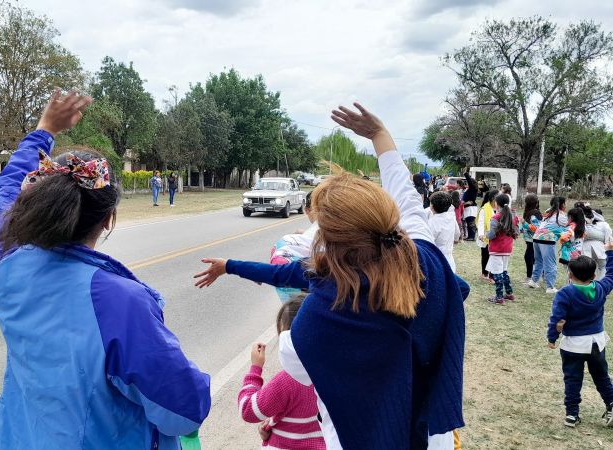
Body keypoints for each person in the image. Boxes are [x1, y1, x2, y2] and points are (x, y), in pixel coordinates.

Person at [194, 103, 468, 450]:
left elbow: (283, 279)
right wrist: (379, 135)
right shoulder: (426, 260)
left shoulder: (314, 324)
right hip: (435, 437)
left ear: (327, 241)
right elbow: (408, 199)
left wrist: (228, 266)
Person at [0, 91, 210, 449]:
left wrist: (44, 130)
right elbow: (183, 411)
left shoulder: (9, 266)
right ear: (108, 219)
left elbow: (0, 199)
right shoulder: (120, 303)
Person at [238, 296, 326, 450]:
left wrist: (255, 369)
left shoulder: (286, 381)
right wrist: (271, 423)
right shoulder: (333, 371)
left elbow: (248, 411)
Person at [547, 249, 613, 428]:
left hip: (573, 345)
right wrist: (611, 253)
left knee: (572, 379)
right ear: (593, 274)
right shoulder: (600, 288)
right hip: (596, 342)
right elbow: (611, 275)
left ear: (569, 273)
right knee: (601, 376)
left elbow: (557, 319)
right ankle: (612, 404)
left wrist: (552, 337)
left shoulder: (565, 293)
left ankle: (571, 414)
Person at [484, 194, 519, 304]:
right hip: (507, 249)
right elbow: (517, 232)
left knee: (497, 273)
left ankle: (499, 297)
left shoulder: (496, 218)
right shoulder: (512, 216)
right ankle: (509, 293)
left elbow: (491, 235)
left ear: (496, 204)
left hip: (497, 249)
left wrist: (486, 234)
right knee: (504, 271)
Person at [532, 196, 569, 294]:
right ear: (562, 205)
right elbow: (569, 225)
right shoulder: (561, 216)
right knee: (550, 263)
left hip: (536, 237)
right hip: (547, 240)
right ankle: (550, 287)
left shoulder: (548, 213)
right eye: (565, 203)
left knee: (538, 261)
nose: (566, 205)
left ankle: (533, 281)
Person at [428, 191, 461, 271]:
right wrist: (455, 240)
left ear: (432, 206)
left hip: (435, 259)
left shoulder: (432, 222)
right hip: (449, 259)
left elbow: (428, 242)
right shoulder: (451, 217)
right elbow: (457, 233)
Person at [578, 204, 612, 280]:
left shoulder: (585, 225)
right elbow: (609, 237)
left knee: (591, 269)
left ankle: (592, 285)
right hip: (600, 247)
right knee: (603, 267)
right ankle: (601, 285)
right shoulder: (604, 224)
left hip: (586, 247)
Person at [476, 189, 499, 283]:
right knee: (485, 255)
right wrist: (481, 234)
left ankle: (492, 274)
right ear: (493, 199)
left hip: (496, 237)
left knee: (493, 256)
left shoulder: (499, 209)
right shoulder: (484, 209)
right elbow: (481, 223)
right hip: (485, 237)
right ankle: (484, 273)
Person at [520, 194, 542, 285]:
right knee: (530, 257)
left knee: (529, 257)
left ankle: (532, 277)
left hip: (534, 239)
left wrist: (524, 224)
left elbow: (536, 228)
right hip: (530, 240)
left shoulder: (534, 213)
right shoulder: (530, 212)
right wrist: (521, 228)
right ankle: (531, 277)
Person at [462, 171, 479, 241]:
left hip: (471, 207)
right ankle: (469, 236)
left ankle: (472, 236)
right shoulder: (470, 189)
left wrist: (466, 174)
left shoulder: (473, 189)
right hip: (467, 207)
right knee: (468, 222)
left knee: (471, 222)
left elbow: (469, 181)